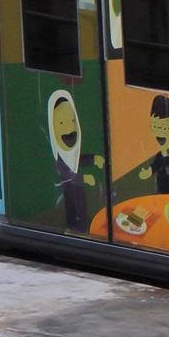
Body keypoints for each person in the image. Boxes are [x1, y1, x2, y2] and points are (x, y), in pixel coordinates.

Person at [45, 90, 103, 234]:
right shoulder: (59, 158)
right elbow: (68, 173)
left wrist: (93, 159)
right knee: (73, 208)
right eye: (61, 123)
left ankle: (83, 226)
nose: (69, 129)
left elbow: (78, 161)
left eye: (72, 121)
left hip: (78, 190)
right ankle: (75, 229)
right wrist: (84, 178)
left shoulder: (71, 153)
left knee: (82, 207)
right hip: (69, 190)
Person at [139, 93, 169, 194]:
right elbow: (154, 166)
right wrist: (147, 173)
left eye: (165, 128)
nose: (160, 132)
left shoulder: (168, 158)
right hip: (161, 191)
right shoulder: (159, 157)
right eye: (155, 127)